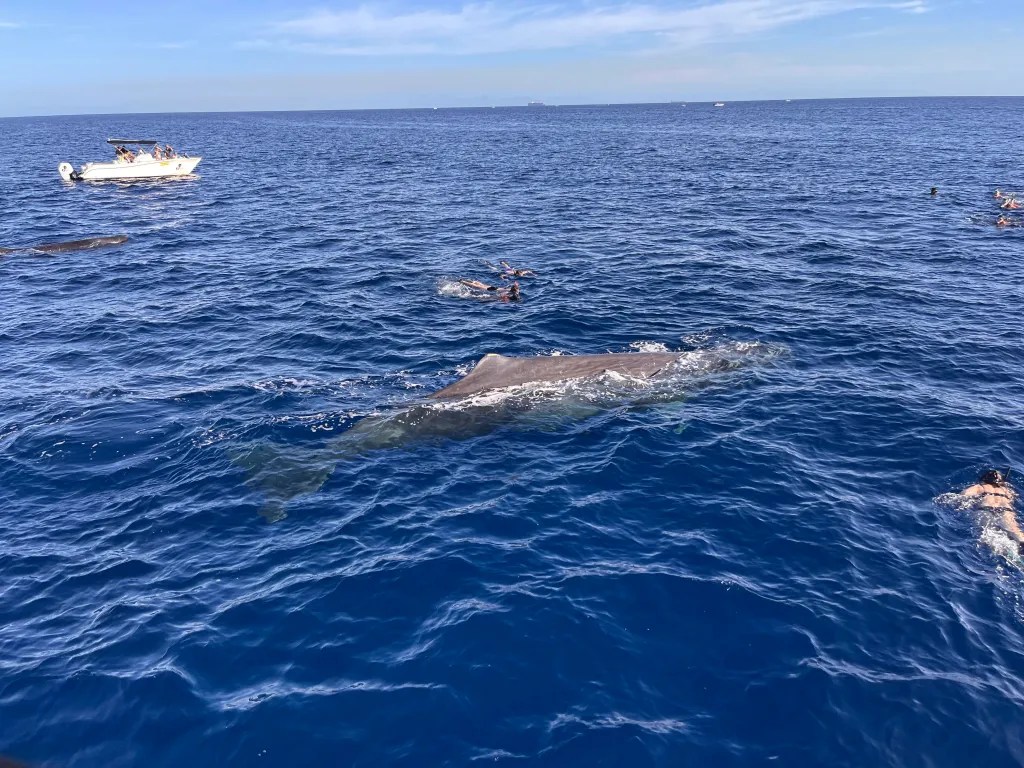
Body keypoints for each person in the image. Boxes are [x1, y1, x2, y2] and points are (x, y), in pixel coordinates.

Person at [963, 469, 1024, 552]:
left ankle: (1002, 548)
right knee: (1015, 531)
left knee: (988, 532)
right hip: (1006, 510)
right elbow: (1012, 499)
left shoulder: (980, 487)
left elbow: (964, 494)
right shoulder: (1006, 490)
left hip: (986, 509)